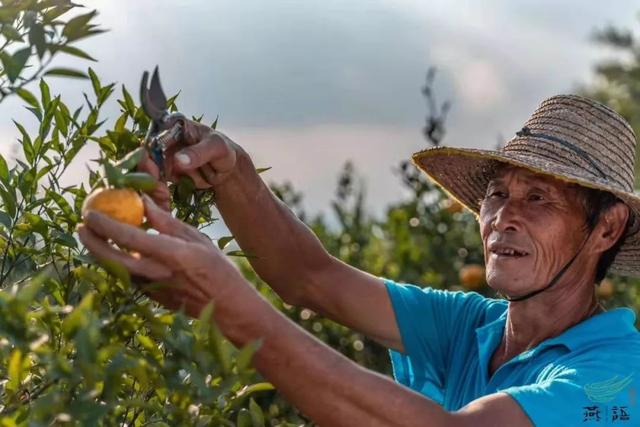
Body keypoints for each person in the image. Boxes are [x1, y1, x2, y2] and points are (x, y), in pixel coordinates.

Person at [78, 94, 640, 426]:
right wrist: (231, 174)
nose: (504, 218)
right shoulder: (473, 328)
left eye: (539, 199)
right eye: (498, 194)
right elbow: (311, 279)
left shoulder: (618, 378)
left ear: (606, 228)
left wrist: (225, 304)